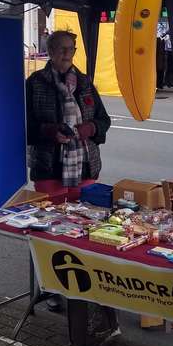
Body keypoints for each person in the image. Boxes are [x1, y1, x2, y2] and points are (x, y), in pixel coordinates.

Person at [26, 30, 111, 317]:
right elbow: (23, 125)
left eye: (71, 49)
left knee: (85, 230)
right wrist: (49, 131)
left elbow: (104, 119)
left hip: (84, 168)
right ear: (49, 51)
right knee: (48, 231)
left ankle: (83, 285)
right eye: (61, 49)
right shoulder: (35, 83)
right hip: (50, 169)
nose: (67, 54)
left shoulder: (85, 82)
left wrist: (90, 129)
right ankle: (50, 288)